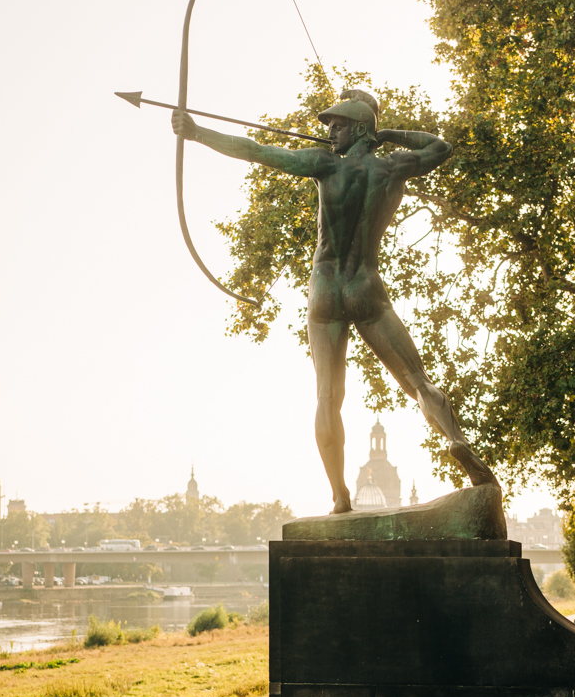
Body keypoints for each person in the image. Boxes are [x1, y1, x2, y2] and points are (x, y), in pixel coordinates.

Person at [172, 91, 497, 513]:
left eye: (339, 125)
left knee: (327, 396)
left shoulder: (323, 166)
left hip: (325, 289)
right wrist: (389, 135)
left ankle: (341, 496)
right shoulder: (392, 167)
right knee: (416, 380)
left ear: (360, 127)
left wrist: (197, 134)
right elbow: (440, 147)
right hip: (366, 286)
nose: (329, 134)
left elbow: (256, 151)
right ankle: (458, 444)